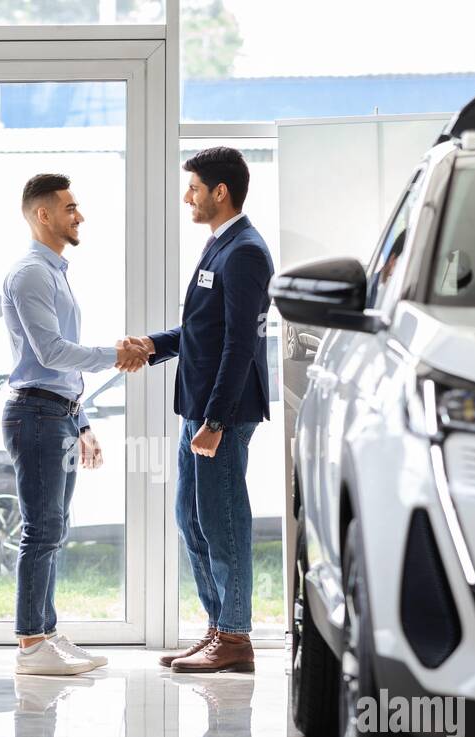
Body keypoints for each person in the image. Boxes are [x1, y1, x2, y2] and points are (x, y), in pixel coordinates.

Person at [126, 147, 274, 673]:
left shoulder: (246, 251)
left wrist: (214, 421)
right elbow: (202, 330)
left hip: (221, 414)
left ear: (220, 192)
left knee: (223, 521)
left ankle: (234, 637)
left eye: (193, 188)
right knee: (191, 518)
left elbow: (239, 344)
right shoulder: (221, 245)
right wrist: (153, 345)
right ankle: (218, 626)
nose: (186, 197)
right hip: (199, 408)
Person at [3, 172, 149, 675]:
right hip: (36, 415)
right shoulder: (30, 274)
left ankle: (45, 634)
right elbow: (50, 353)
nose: (79, 215)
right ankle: (30, 645)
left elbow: (57, 368)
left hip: (56, 413)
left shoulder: (53, 271)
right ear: (43, 214)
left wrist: (81, 422)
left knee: (54, 529)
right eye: (70, 208)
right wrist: (115, 355)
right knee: (41, 530)